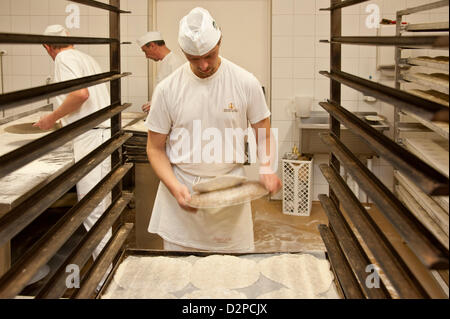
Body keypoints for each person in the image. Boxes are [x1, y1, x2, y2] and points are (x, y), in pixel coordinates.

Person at [145, 7, 282, 252]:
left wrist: (267, 167)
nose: (204, 65)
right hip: (181, 194)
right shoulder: (167, 89)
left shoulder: (244, 82)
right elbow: (155, 149)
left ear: (220, 40)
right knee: (179, 280)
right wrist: (175, 187)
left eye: (210, 55)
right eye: (193, 59)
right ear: (183, 52)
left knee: (233, 279)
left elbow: (264, 133)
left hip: (229, 196)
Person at [34, 25, 112, 273]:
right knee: (100, 207)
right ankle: (109, 270)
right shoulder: (85, 57)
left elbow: (80, 95)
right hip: (100, 133)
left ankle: (105, 278)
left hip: (92, 137)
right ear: (71, 41)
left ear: (47, 47)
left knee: (93, 210)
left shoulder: (63, 59)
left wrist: (51, 117)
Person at [136, 31, 184, 113]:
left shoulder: (174, 62)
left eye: (145, 51)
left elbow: (179, 95)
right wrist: (153, 103)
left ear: (152, 46)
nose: (146, 56)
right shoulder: (166, 61)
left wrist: (157, 104)